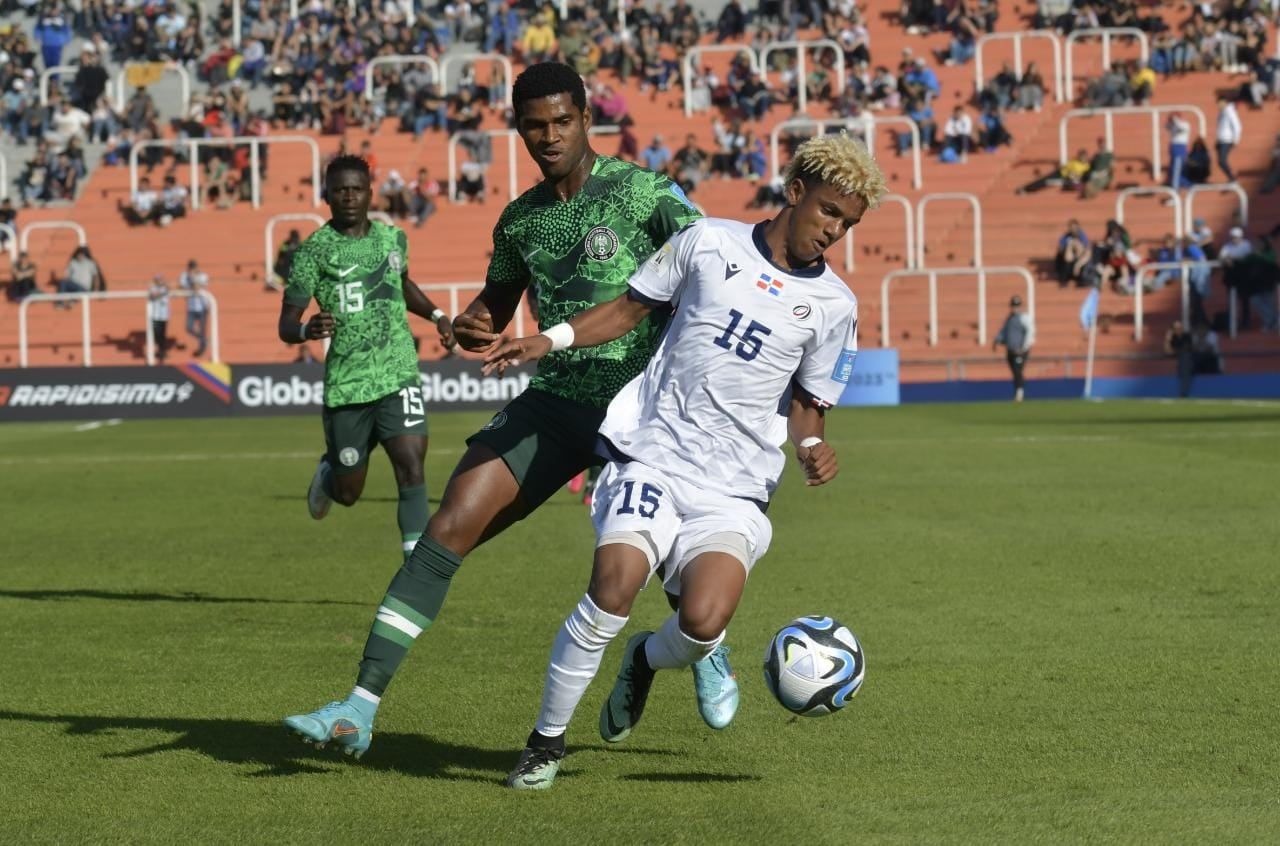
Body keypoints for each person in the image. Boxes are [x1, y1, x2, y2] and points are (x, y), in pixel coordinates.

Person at [282, 63, 710, 759]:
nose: (549, 136)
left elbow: (710, 270)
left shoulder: (644, 192)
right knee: (448, 524)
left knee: (674, 567)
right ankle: (359, 707)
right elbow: (496, 306)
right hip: (557, 401)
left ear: (583, 119)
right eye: (535, 125)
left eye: (561, 121)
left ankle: (699, 648)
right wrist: (471, 325)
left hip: (645, 407)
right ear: (518, 129)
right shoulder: (520, 220)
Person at [482, 133, 883, 789]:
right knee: (613, 587)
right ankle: (545, 742)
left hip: (733, 487)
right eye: (829, 212)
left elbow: (811, 404)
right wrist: (544, 340)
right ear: (796, 193)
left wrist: (810, 446)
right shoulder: (707, 242)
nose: (834, 231)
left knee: (702, 621)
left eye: (848, 223)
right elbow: (626, 308)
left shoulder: (836, 306)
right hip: (653, 455)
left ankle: (644, 657)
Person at [276, 153, 456, 577]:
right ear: (327, 196)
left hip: (398, 371)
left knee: (412, 464)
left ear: (370, 192)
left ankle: (416, 570)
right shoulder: (313, 252)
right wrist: (305, 330)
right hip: (348, 385)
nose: (349, 196)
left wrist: (437, 317)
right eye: (340, 190)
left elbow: (401, 284)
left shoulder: (393, 239)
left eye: (356, 188)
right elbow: (286, 323)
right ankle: (329, 472)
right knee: (349, 491)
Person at [992, 294, 1034, 402]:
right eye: (1013, 305)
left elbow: (1030, 332)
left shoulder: (1024, 318)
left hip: (1019, 351)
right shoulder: (1009, 318)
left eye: (1017, 305)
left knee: (1017, 371)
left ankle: (1020, 392)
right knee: (1014, 371)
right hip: (1010, 350)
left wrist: (1024, 347)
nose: (1015, 308)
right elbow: (1004, 332)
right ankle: (1017, 391)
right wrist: (997, 340)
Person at [179, 259, 209, 357]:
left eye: (193, 267)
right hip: (191, 307)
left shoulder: (203, 276)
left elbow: (197, 288)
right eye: (190, 267)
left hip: (202, 306)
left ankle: (202, 347)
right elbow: (182, 287)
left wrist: (192, 278)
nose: (192, 269)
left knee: (202, 329)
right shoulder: (184, 275)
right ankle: (204, 340)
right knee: (189, 328)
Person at [1164, 319, 1194, 397]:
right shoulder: (1172, 338)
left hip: (1189, 360)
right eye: (1176, 328)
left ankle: (1184, 392)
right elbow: (1168, 351)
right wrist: (1167, 339)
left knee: (1185, 360)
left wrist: (1175, 351)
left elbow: (1186, 349)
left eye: (1180, 327)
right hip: (1180, 361)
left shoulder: (1187, 336)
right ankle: (1182, 392)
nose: (1178, 330)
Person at [1216, 95, 1242, 182]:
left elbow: (1237, 125)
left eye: (1220, 103)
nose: (1218, 105)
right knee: (1220, 162)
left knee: (1222, 160)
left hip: (1227, 140)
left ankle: (1232, 177)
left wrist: (1236, 139)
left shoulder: (1230, 111)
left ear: (1224, 102)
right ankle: (1231, 177)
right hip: (1221, 140)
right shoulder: (1222, 112)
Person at [148, 275, 170, 362]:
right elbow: (153, 295)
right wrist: (161, 292)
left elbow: (171, 289)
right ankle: (160, 350)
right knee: (156, 333)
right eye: (158, 280)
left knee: (162, 334)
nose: (160, 281)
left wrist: (165, 286)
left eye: (161, 279)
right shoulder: (153, 288)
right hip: (155, 315)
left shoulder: (165, 288)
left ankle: (162, 351)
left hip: (164, 315)